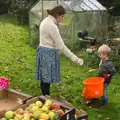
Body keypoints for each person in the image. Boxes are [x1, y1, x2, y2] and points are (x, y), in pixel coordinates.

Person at [35, 5, 84, 96]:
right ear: (57, 15)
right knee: (46, 80)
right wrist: (75, 59)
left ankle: (45, 97)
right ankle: (46, 98)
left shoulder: (45, 21)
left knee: (45, 78)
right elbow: (61, 45)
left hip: (43, 51)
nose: (63, 18)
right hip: (48, 53)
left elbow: (49, 40)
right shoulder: (52, 26)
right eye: (62, 16)